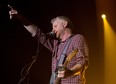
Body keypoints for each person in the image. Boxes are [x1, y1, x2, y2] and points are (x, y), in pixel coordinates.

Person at [9, 5, 89, 84]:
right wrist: (20, 17)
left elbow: (82, 62)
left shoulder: (77, 38)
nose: (53, 30)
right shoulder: (56, 44)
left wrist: (70, 72)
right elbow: (37, 34)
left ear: (65, 24)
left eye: (55, 26)